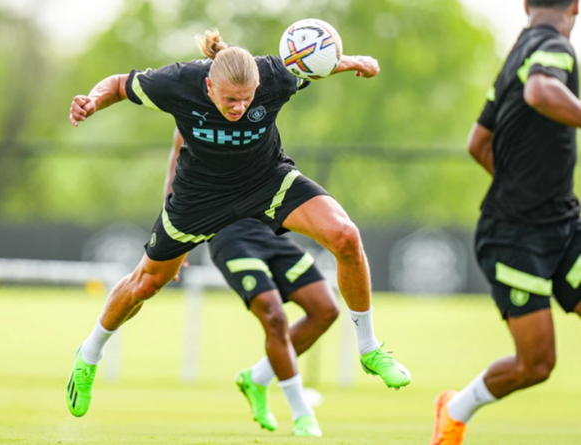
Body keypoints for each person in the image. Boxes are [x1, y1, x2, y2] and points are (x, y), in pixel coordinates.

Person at [66, 29, 411, 430]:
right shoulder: (177, 82)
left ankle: (369, 347)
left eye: (247, 99)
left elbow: (315, 65)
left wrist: (352, 60)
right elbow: (117, 85)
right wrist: (92, 102)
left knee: (346, 237)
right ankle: (89, 354)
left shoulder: (274, 75)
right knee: (145, 284)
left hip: (267, 182)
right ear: (209, 84)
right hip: (200, 197)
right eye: (230, 99)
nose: (240, 107)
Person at [430, 1, 581, 444]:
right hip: (515, 236)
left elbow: (478, 143)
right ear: (575, 6)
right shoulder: (554, 47)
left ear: (525, 5)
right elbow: (540, 92)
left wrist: (527, 189)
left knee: (537, 365)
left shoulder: (518, 52)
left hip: (562, 224)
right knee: (535, 365)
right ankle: (454, 409)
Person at [166, 128, 339, 437]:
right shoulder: (192, 112)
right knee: (274, 316)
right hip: (228, 236)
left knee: (325, 308)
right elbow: (175, 170)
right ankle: (302, 414)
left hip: (268, 229)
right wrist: (175, 243)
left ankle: (257, 377)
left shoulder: (258, 103)